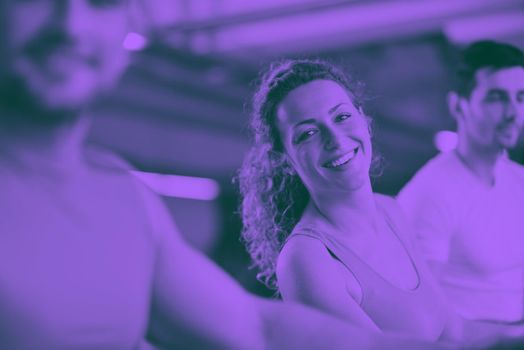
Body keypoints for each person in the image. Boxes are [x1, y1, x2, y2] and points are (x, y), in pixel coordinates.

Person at [0, 1, 446, 349]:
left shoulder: (120, 195)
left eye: (102, 1)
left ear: (126, 28)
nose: (71, 24)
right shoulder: (308, 257)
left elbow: (257, 331)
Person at [237, 59, 467, 343]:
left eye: (342, 117)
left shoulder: (390, 210)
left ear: (364, 121)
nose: (334, 138)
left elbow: (452, 332)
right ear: (284, 159)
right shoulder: (306, 260)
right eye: (308, 133)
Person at [397, 40, 524, 336]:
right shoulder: (430, 192)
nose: (513, 113)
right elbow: (421, 314)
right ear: (458, 105)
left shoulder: (518, 179)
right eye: (496, 98)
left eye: (520, 97)